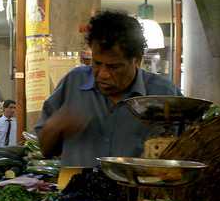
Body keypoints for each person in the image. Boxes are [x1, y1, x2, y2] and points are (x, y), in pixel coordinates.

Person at [35, 10, 179, 167]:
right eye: (96, 63)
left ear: (136, 60)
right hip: (77, 190)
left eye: (114, 67)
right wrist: (54, 128)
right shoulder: (73, 83)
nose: (103, 74)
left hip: (137, 190)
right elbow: (46, 150)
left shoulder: (164, 94)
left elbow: (186, 155)